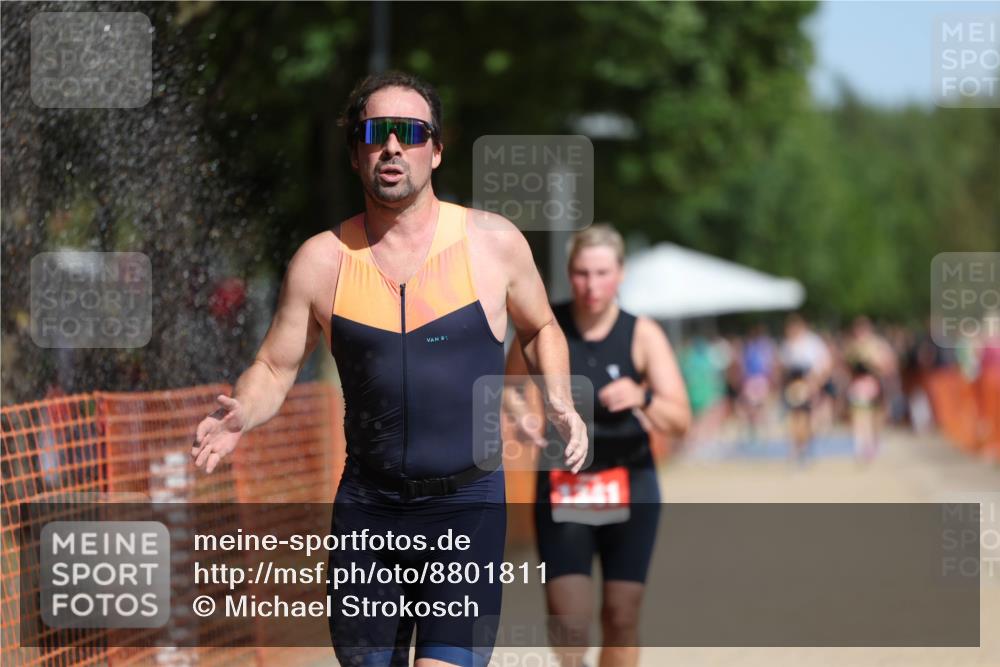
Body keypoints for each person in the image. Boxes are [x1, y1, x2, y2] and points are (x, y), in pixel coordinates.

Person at [191, 71, 588, 667]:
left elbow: (541, 327)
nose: (393, 146)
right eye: (376, 133)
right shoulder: (322, 261)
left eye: (411, 132)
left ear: (436, 148)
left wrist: (556, 396)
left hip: (466, 507)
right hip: (368, 513)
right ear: (356, 153)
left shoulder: (493, 244)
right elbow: (274, 366)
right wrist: (243, 410)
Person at [504, 224, 690, 667]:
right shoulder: (546, 327)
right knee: (568, 621)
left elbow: (680, 419)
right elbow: (508, 388)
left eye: (603, 272)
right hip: (565, 481)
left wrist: (642, 397)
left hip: (630, 479)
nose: (592, 285)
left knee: (621, 614)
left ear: (621, 274)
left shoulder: (642, 335)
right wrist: (522, 418)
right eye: (583, 273)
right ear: (569, 274)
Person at [778, 314, 832, 463]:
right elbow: (782, 367)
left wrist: (815, 384)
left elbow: (823, 365)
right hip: (791, 385)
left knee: (805, 418)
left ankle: (804, 447)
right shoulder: (788, 345)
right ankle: (796, 448)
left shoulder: (812, 343)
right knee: (793, 419)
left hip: (807, 384)